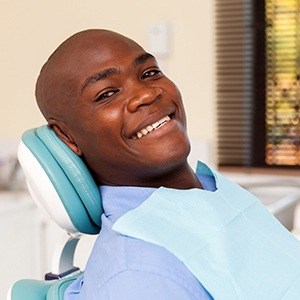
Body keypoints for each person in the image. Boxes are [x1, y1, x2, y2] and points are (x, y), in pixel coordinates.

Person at [35, 29, 300, 300]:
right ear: (68, 137)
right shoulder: (138, 275)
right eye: (107, 94)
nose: (146, 94)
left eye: (149, 73)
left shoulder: (211, 190)